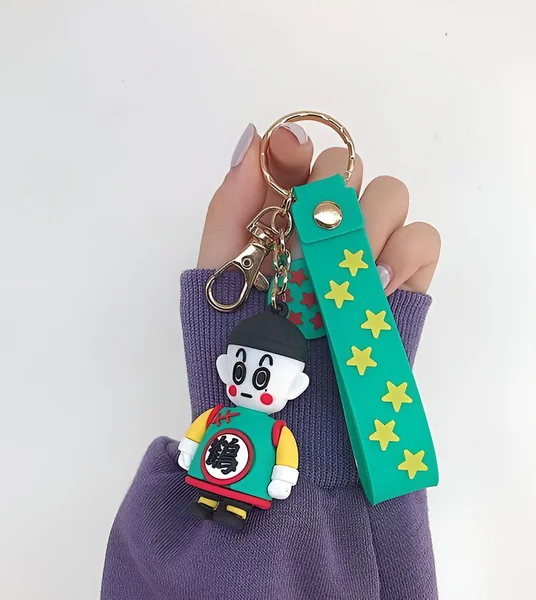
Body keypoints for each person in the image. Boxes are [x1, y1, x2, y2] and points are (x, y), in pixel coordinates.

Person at [101, 122, 441, 599]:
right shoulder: (224, 416)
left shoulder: (255, 423)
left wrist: (313, 483)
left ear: (295, 384)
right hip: (229, 476)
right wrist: (334, 507)